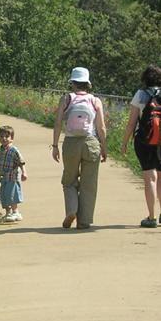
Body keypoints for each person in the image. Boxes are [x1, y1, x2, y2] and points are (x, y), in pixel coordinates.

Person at [121, 64, 161, 228]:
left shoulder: (140, 94)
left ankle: (151, 217)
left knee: (150, 177)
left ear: (145, 79)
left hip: (144, 140)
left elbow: (131, 123)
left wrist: (124, 143)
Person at [52, 67, 107, 229]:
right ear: (87, 83)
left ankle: (71, 210)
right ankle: (84, 221)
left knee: (69, 181)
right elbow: (101, 127)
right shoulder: (95, 101)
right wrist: (104, 147)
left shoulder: (66, 99)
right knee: (89, 184)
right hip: (91, 143)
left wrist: (55, 145)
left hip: (71, 143)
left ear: (72, 82)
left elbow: (57, 123)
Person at [0, 125, 27, 222]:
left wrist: (24, 172)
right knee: (4, 195)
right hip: (3, 177)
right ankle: (8, 213)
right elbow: (0, 163)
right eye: (1, 136)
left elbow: (21, 162)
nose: (4, 138)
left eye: (7, 136)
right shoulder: (0, 151)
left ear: (12, 138)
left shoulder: (14, 150)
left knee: (12, 195)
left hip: (12, 177)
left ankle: (16, 212)